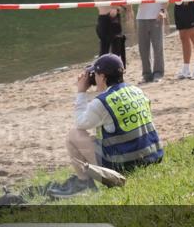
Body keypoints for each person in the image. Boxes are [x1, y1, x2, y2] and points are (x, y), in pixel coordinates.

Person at [63, 54, 163, 196]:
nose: (94, 78)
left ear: (103, 77)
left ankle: (84, 183)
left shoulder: (102, 102)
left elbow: (80, 123)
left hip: (125, 163)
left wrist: (81, 92)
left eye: (95, 75)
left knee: (74, 135)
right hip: (153, 156)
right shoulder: (137, 91)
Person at [129, 0, 169, 83]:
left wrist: (163, 10)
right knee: (143, 47)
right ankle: (146, 74)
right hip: (142, 16)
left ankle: (158, 72)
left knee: (158, 46)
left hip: (156, 15)